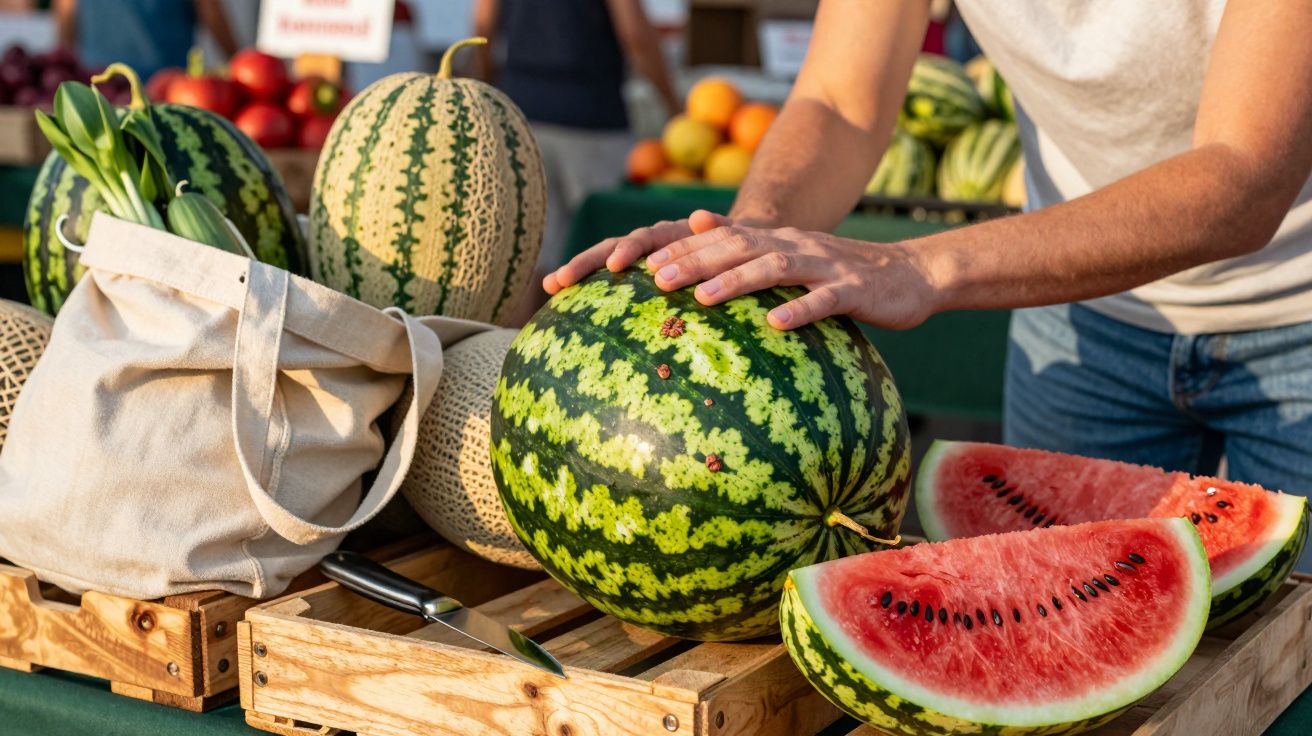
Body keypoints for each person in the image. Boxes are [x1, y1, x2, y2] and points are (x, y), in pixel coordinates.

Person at [546, 0, 1312, 570]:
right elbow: (840, 100)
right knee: (1063, 626)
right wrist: (753, 240)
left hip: (1299, 319)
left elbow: (1242, 179)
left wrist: (918, 266)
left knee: (1286, 665)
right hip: (1082, 315)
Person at [474, 0, 679, 318]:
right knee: (607, 257)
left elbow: (483, 31)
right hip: (593, 122)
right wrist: (674, 106)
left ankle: (511, 355)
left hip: (522, 115)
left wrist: (482, 99)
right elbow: (636, 35)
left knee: (528, 258)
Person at [54, 0, 237, 80]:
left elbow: (66, 13)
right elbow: (210, 11)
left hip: (98, 87)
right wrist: (237, 60)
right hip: (165, 91)